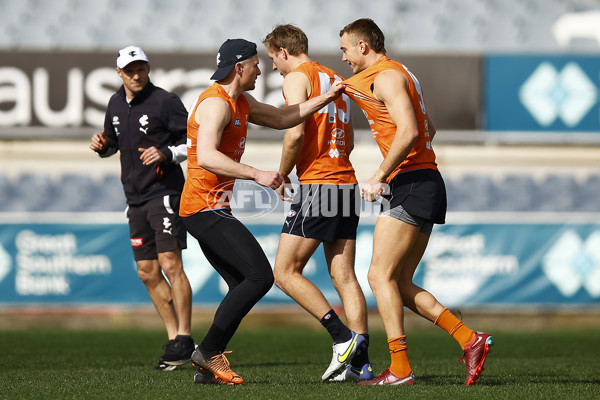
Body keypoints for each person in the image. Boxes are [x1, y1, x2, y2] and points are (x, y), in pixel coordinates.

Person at [180, 38, 345, 386]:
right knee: (260, 277)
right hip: (203, 207)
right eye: (256, 63)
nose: (261, 69)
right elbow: (206, 156)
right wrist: (258, 174)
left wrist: (325, 98)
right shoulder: (216, 103)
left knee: (242, 281)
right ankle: (208, 352)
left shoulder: (241, 101)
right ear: (239, 67)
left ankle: (208, 364)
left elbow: (285, 116)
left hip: (210, 208)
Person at [338, 19, 494, 386]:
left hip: (410, 182)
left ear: (363, 46)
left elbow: (410, 132)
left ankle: (401, 368)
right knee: (400, 284)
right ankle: (470, 340)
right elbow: (429, 129)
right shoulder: (402, 73)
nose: (342, 56)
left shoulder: (386, 77)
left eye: (345, 48)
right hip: (422, 181)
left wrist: (378, 175)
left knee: (378, 275)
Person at [262, 24, 372, 382]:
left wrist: (282, 174)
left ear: (283, 52)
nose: (273, 67)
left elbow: (294, 131)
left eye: (273, 59)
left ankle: (342, 339)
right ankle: (361, 362)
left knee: (284, 272)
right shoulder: (336, 80)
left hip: (319, 185)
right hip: (346, 183)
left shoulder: (299, 77)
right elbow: (351, 142)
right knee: (344, 275)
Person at [90, 46, 195, 371]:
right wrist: (103, 146)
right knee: (147, 272)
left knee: (169, 263)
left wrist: (166, 153)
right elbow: (114, 143)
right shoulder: (115, 104)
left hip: (164, 193)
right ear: (119, 72)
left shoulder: (165, 101)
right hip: (134, 198)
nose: (136, 75)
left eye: (141, 69)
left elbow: (193, 141)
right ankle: (174, 339)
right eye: (130, 70)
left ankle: (186, 337)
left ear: (148, 70)